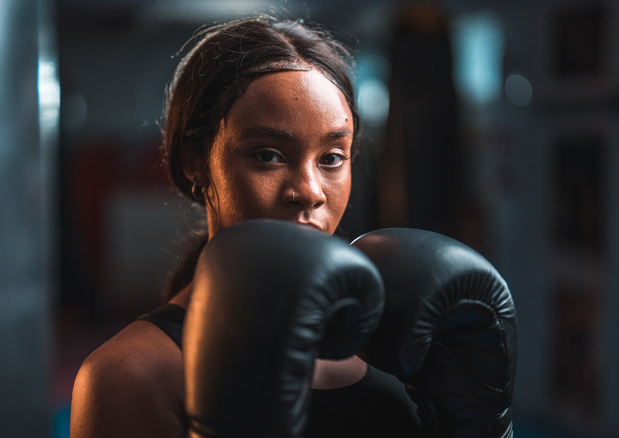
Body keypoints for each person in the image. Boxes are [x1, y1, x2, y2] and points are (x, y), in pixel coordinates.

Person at [69, 15, 420, 437]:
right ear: (195, 163)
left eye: (331, 157)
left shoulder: (393, 339)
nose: (310, 192)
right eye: (268, 155)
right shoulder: (131, 374)